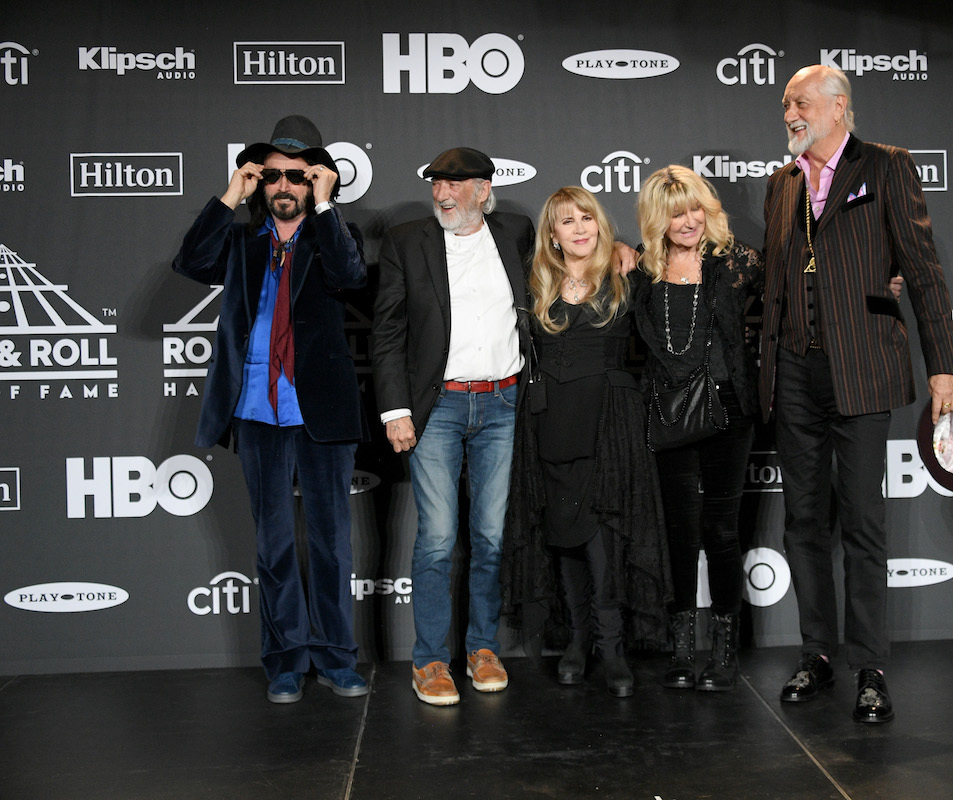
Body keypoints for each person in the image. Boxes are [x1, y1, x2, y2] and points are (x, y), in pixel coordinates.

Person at [760, 64, 953, 723]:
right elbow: (779, 285)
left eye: (801, 101)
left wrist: (944, 366)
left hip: (864, 369)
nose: (789, 111)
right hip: (795, 371)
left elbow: (923, 273)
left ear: (838, 107)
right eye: (786, 102)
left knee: (864, 524)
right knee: (803, 522)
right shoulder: (782, 184)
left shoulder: (886, 166)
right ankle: (816, 654)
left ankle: (869, 667)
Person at [172, 115, 370, 704]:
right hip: (257, 412)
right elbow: (189, 262)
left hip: (322, 412)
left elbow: (351, 276)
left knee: (332, 544)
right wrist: (229, 195)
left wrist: (328, 207)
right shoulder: (240, 241)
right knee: (274, 544)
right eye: (274, 175)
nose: (285, 185)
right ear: (261, 183)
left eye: (299, 176)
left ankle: (336, 657)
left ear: (316, 182)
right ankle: (284, 661)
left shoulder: (335, 234)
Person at [372, 147, 531, 706]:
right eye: (437, 183)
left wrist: (621, 257)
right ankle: (431, 661)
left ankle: (482, 649)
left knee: (490, 537)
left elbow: (570, 266)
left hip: (504, 404)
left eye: (455, 185)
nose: (442, 194)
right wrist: (396, 410)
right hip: (436, 409)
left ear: (484, 190)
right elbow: (387, 331)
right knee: (438, 539)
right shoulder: (406, 241)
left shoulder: (516, 231)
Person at [502, 187, 671, 698]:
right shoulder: (534, 285)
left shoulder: (627, 275)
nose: (578, 228)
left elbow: (693, 269)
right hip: (549, 425)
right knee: (564, 539)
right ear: (551, 233)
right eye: (566, 221)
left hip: (609, 426)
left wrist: (630, 251)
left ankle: (612, 646)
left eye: (586, 219)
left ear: (600, 225)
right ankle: (576, 641)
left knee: (604, 541)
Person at [632, 166, 762, 692]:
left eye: (693, 210)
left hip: (729, 408)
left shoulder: (737, 263)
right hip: (669, 411)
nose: (686, 222)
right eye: (674, 213)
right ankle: (682, 647)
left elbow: (802, 288)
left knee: (722, 531)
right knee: (680, 534)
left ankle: (725, 651)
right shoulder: (641, 273)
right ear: (656, 220)